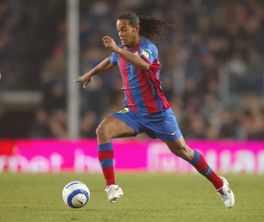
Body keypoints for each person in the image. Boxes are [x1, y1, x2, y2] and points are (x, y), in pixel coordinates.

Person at [75, 12, 235, 208]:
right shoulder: (121, 51)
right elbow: (110, 61)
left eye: (124, 29)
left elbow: (143, 64)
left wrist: (117, 49)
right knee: (103, 130)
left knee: (184, 151)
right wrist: (90, 74)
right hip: (133, 113)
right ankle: (112, 186)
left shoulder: (148, 48)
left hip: (158, 115)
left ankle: (220, 184)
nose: (121, 34)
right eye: (118, 31)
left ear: (136, 28)